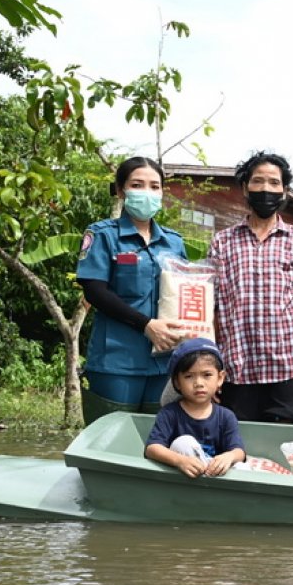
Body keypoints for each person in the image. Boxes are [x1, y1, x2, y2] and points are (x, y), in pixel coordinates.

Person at [209, 151, 293, 424]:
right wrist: (211, 363)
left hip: (291, 364)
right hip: (238, 366)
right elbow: (214, 307)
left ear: (284, 191)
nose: (266, 188)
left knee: (287, 440)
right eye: (258, 181)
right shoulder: (222, 242)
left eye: (274, 182)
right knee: (239, 441)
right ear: (245, 188)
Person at [76, 156, 189, 425]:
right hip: (117, 361)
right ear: (120, 190)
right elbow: (94, 291)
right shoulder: (102, 234)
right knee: (110, 437)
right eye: (137, 185)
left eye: (155, 186)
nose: (147, 192)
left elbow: (185, 293)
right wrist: (146, 325)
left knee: (158, 438)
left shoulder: (174, 242)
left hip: (165, 362)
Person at [145, 338, 246, 479]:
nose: (199, 383)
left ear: (220, 378)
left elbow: (239, 451)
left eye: (207, 375)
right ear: (177, 382)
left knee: (242, 466)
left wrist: (229, 456)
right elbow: (152, 448)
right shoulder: (169, 413)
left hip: (217, 477)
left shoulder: (226, 416)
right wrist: (179, 461)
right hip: (184, 477)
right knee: (183, 443)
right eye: (189, 376)